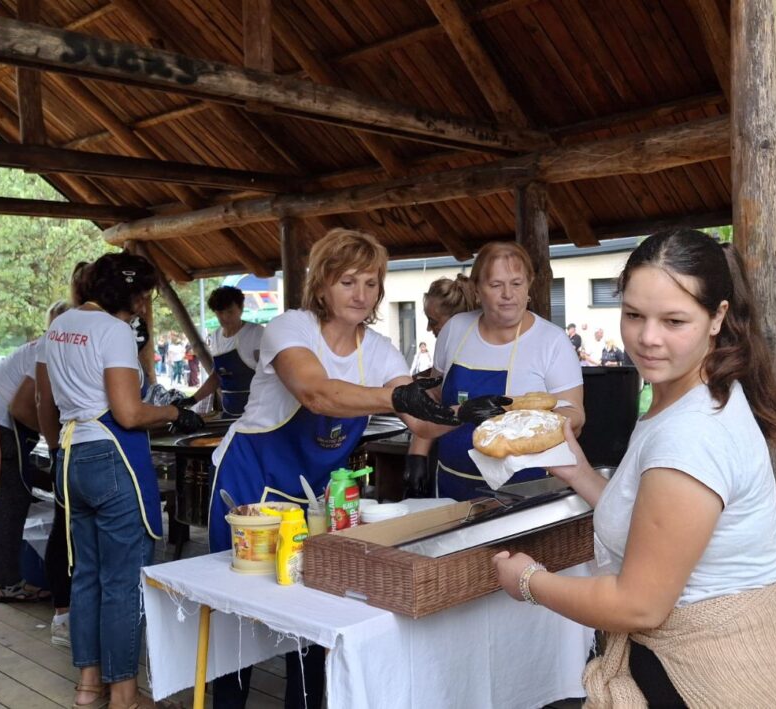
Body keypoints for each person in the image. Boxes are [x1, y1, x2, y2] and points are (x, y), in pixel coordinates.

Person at [491, 230, 776, 706]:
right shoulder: (691, 395)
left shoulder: (691, 436)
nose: (647, 338)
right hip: (746, 672)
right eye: (633, 315)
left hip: (720, 686)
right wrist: (581, 473)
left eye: (674, 320)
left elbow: (639, 605)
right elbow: (651, 522)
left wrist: (529, 581)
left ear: (718, 318)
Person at [207, 229, 478, 707]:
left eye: (371, 283)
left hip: (312, 497)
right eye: (348, 281)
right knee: (237, 622)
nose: (361, 295)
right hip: (250, 487)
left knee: (314, 619)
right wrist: (397, 395)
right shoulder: (289, 328)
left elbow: (419, 419)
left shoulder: (378, 351)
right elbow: (316, 392)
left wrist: (463, 415)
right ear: (323, 283)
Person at [40, 252, 204, 709]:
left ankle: (89, 686)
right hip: (112, 456)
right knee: (123, 580)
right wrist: (175, 413)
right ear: (132, 294)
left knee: (87, 577)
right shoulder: (114, 331)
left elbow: (53, 399)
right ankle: (125, 695)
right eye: (146, 295)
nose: (146, 304)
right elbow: (129, 412)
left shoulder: (60, 325)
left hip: (72, 456)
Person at [426, 241, 585, 501]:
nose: (508, 294)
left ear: (529, 285)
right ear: (477, 289)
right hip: (451, 483)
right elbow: (433, 395)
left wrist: (519, 419)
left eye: (516, 283)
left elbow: (575, 415)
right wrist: (418, 452)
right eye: (496, 285)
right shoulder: (455, 330)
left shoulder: (552, 341)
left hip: (522, 490)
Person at [0, 302, 70, 603]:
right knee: (11, 502)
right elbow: (21, 407)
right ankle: (10, 584)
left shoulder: (40, 346)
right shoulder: (46, 349)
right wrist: (52, 436)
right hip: (3, 428)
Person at [38, 262, 91, 648]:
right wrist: (54, 443)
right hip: (75, 445)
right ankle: (63, 614)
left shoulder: (67, 331)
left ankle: (71, 616)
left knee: (72, 532)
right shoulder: (62, 333)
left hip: (73, 445)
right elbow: (42, 399)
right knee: (68, 532)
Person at [404, 274, 478, 498]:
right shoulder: (447, 343)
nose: (428, 328)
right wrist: (417, 456)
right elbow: (433, 400)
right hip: (451, 465)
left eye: (433, 320)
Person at [189, 285, 264, 416]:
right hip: (229, 410)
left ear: (241, 309)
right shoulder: (216, 337)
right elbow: (216, 377)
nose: (225, 317)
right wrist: (192, 399)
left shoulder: (256, 333)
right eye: (220, 313)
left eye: (230, 312)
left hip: (258, 410)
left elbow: (270, 372)